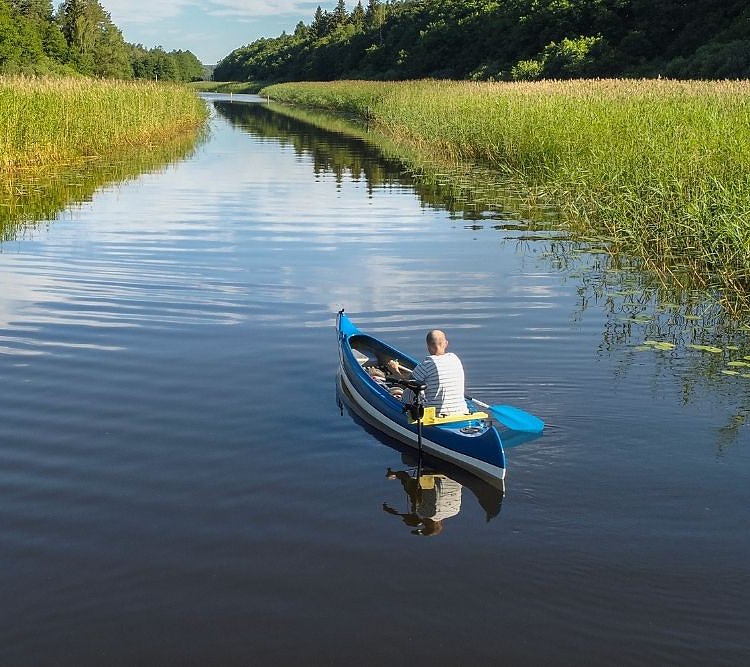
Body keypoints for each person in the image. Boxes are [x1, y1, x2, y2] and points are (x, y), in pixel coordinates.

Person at [388, 329, 468, 416]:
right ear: (446, 344)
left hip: (436, 414)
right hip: (462, 411)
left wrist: (394, 370)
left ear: (428, 346)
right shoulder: (455, 359)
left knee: (410, 390)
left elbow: (407, 384)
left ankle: (400, 406)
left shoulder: (428, 363)